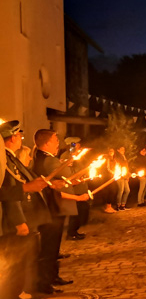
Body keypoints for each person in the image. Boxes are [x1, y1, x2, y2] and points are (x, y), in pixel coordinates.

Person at [0, 121, 55, 297]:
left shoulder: (11, 158)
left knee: (22, 264)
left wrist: (50, 183)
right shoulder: (5, 160)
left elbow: (27, 181)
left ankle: (19, 291)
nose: (21, 139)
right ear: (13, 138)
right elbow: (7, 190)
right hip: (14, 221)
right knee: (15, 265)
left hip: (27, 216)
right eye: (20, 136)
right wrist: (19, 221)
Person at [32, 129, 89, 294]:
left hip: (54, 209)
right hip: (52, 209)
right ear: (47, 142)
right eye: (56, 141)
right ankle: (44, 282)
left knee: (54, 247)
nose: (58, 144)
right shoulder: (48, 161)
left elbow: (61, 181)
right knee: (49, 248)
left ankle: (52, 276)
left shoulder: (46, 158)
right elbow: (60, 180)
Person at [61, 137, 90, 238]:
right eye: (76, 144)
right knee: (77, 211)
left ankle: (74, 231)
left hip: (81, 185)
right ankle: (71, 233)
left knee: (82, 210)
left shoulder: (80, 156)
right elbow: (67, 171)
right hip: (74, 188)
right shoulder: (66, 156)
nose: (79, 145)